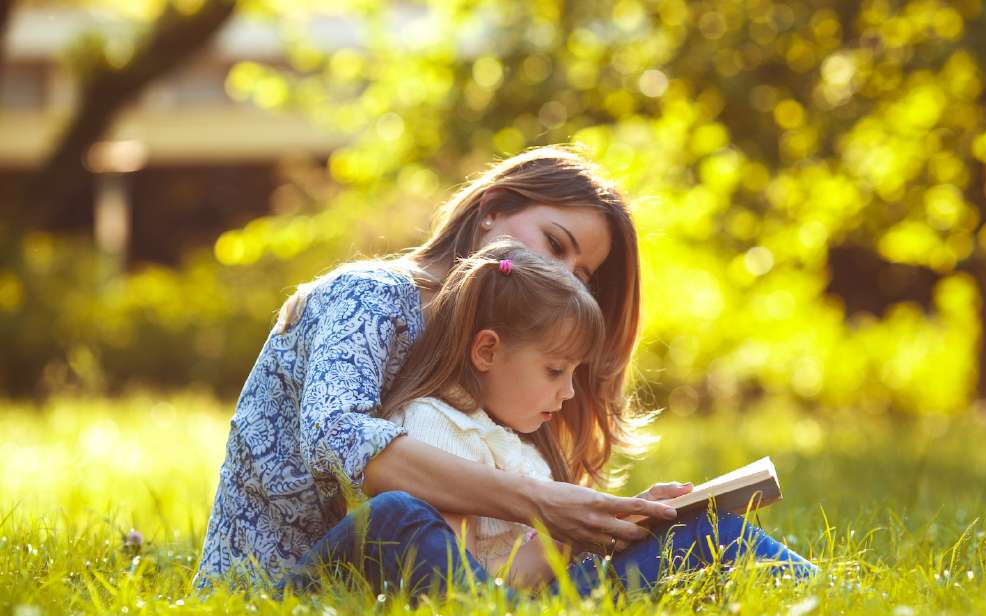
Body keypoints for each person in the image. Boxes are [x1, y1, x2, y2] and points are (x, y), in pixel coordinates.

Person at [194, 146, 685, 591]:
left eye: (581, 275)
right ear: (491, 210)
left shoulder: (511, 357)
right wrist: (540, 501)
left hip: (454, 586)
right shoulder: (371, 294)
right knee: (394, 517)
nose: (562, 276)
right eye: (555, 245)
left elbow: (502, 547)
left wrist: (615, 524)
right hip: (292, 588)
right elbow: (335, 437)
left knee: (693, 531)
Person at [280, 242, 817, 600]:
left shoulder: (518, 444)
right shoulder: (434, 429)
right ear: (487, 351)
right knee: (703, 541)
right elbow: (466, 577)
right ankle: (830, 597)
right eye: (556, 370)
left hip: (553, 595)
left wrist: (617, 526)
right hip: (514, 608)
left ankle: (828, 593)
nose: (567, 393)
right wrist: (570, 540)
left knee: (709, 530)